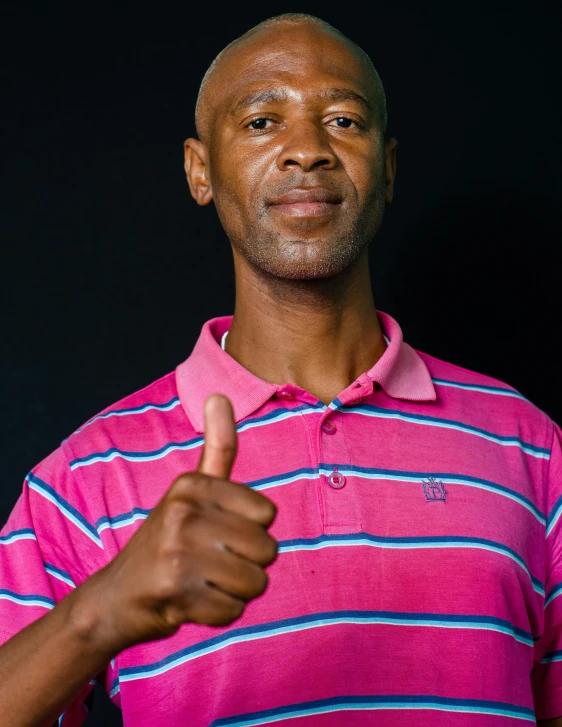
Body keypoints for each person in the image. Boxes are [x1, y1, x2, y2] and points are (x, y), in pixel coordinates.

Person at [1, 12, 561, 727]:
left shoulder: (531, 446)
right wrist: (98, 613)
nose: (308, 150)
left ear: (386, 170)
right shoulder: (83, 481)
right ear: (200, 171)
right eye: (263, 121)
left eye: (344, 120)